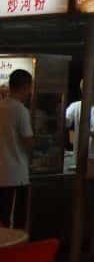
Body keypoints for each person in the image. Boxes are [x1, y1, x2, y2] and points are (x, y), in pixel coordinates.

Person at [0, 70, 34, 228]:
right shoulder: (21, 111)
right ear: (26, 86)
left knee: (2, 220)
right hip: (15, 176)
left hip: (2, 173)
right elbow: (28, 141)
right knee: (14, 223)